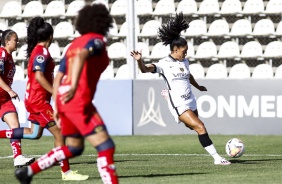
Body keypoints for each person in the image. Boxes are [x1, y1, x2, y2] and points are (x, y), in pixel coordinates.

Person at [15, 4, 119, 184]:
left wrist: (57, 100)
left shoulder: (74, 45)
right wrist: (72, 87)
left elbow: (60, 75)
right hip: (77, 100)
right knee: (106, 146)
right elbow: (81, 57)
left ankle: (29, 172)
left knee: (73, 146)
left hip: (65, 101)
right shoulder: (96, 40)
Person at [130, 12, 231, 165]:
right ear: (175, 49)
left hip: (191, 100)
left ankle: (169, 97)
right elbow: (145, 69)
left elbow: (188, 76)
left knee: (193, 127)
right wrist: (140, 61)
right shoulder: (164, 63)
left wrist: (198, 86)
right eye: (184, 51)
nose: (186, 54)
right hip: (179, 103)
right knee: (200, 127)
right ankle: (218, 158)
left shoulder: (185, 62)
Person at [0, 17, 88, 181]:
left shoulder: (38, 51)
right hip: (38, 102)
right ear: (51, 36)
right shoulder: (41, 52)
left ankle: (57, 163)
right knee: (60, 133)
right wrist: (55, 92)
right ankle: (66, 172)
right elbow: (39, 76)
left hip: (35, 100)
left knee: (34, 134)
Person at [0, 29, 35, 168]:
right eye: (15, 39)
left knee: (15, 127)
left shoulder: (8, 56)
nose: (18, 42)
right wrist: (9, 90)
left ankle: (18, 157)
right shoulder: (2, 53)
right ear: (7, 41)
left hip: (3, 100)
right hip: (4, 94)